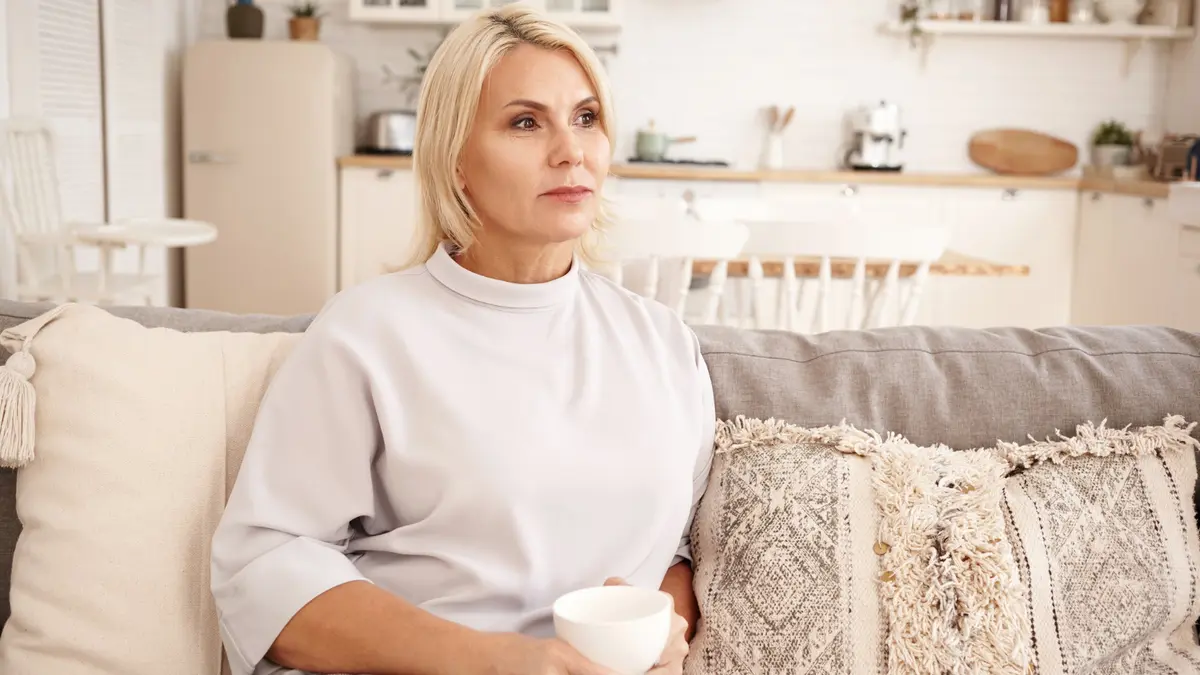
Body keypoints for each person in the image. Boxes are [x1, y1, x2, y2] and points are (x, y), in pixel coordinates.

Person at [209, 4, 716, 675]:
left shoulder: (661, 342)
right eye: (526, 122)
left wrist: (664, 634)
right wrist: (489, 660)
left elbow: (679, 549)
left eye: (586, 117)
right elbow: (262, 566)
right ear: (455, 159)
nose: (571, 149)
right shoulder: (369, 333)